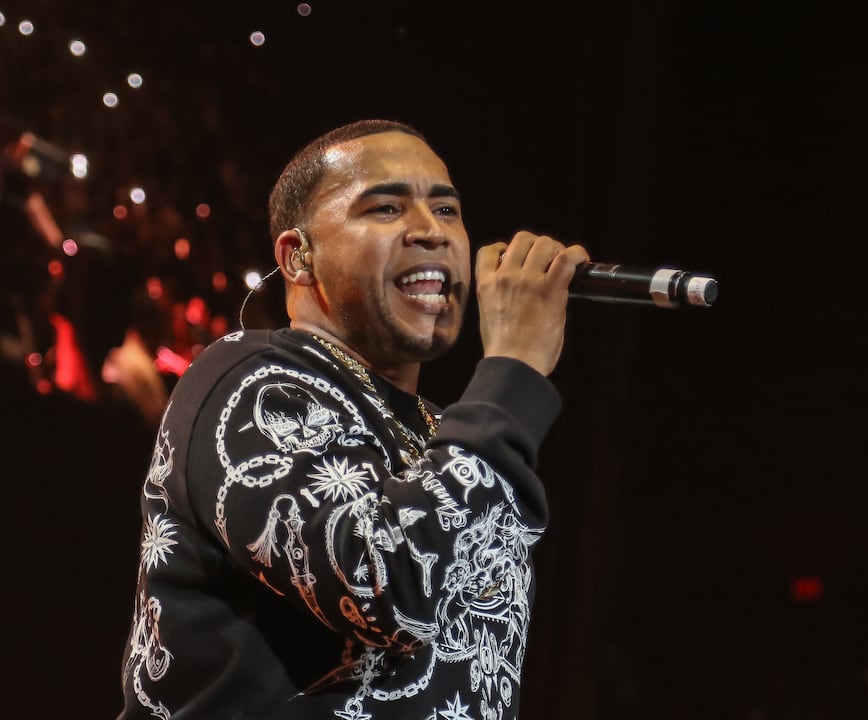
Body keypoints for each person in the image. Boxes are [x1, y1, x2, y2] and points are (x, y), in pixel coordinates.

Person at [118, 119, 589, 719]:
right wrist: (513, 371)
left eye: (447, 209)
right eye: (387, 207)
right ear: (298, 257)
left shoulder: (450, 435)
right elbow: (385, 588)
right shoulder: (251, 382)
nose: (431, 231)